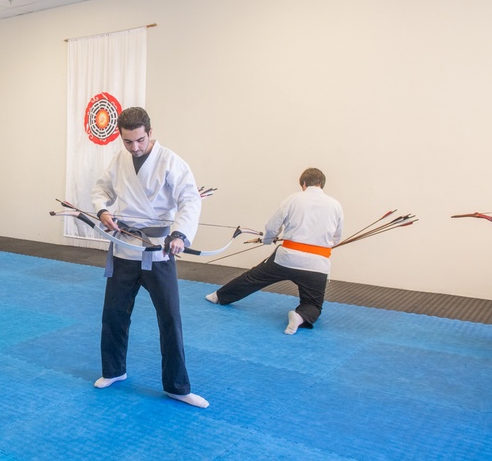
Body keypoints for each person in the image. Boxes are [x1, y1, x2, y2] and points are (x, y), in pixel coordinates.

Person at [90, 107, 208, 408]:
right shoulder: (119, 160)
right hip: (124, 247)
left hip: (159, 251)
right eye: (128, 142)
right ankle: (114, 371)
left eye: (140, 140)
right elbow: (101, 189)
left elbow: (189, 199)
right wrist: (103, 210)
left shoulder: (171, 161)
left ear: (150, 132)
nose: (135, 147)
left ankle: (177, 387)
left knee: (170, 319)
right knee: (114, 315)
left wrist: (180, 234)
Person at [205, 168, 344, 335]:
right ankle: (299, 317)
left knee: (253, 278)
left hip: (286, 259)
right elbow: (336, 238)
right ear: (322, 184)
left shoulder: (293, 199)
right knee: (313, 305)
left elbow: (272, 227)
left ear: (303, 184)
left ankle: (218, 296)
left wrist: (268, 240)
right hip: (317, 265)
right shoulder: (335, 205)